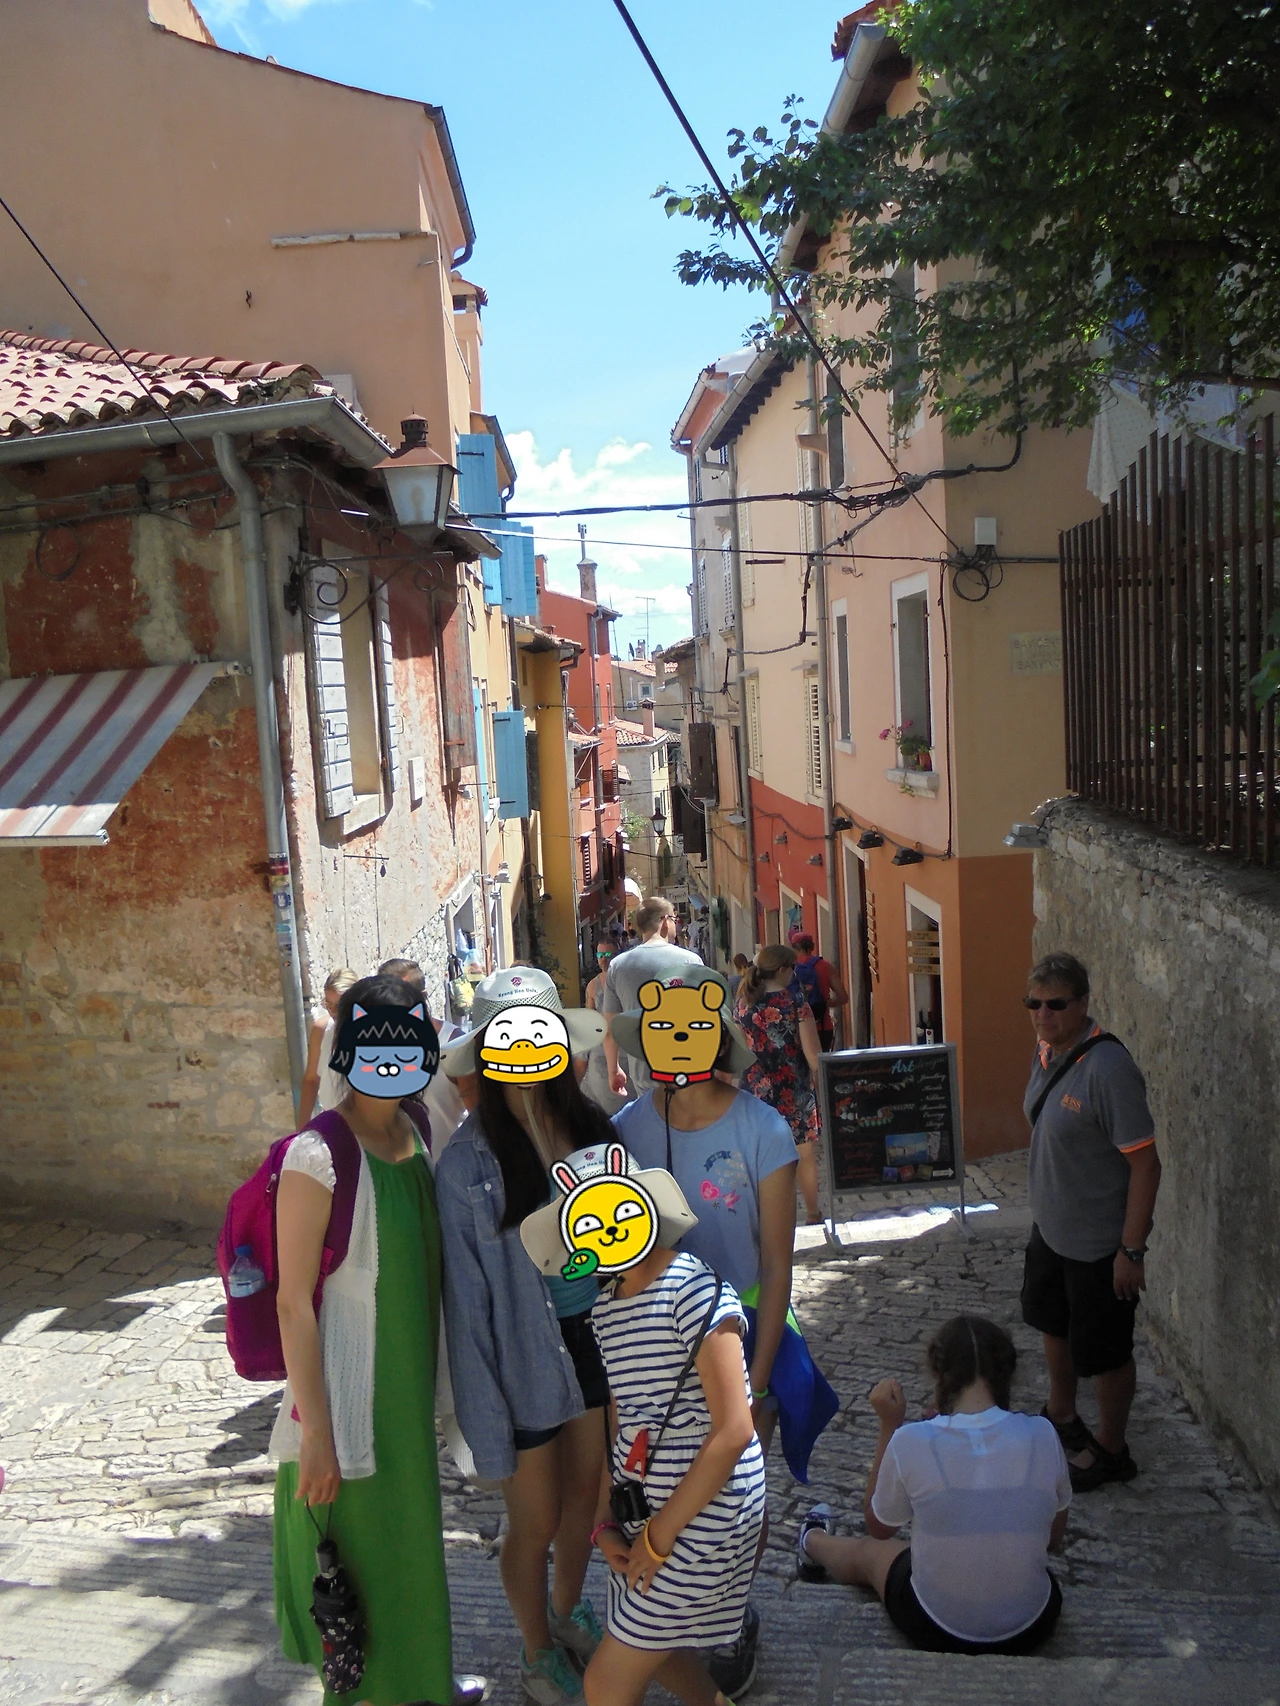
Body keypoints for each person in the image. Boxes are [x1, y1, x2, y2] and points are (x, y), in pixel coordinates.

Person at [610, 967, 834, 1700]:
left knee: (737, 1487)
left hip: (743, 1332)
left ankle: (730, 1620)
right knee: (663, 1483)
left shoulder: (763, 1129)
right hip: (655, 1344)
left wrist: (759, 1376)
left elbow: (776, 1262)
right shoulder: (627, 1131)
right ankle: (666, 1616)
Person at [271, 973, 485, 1706]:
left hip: (408, 1391)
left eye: (406, 1047)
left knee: (411, 1545)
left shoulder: (417, 1131)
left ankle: (423, 1685)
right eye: (376, 1047)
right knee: (361, 1567)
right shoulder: (317, 1155)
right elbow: (293, 1304)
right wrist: (317, 1434)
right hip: (348, 1399)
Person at [518, 1146, 764, 1706]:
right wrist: (606, 1519)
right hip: (647, 1511)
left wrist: (661, 1534)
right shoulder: (607, 1309)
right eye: (587, 1224)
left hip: (705, 1514)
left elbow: (734, 1429)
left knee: (606, 1680)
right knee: (657, 1646)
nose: (605, 1233)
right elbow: (627, 1420)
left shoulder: (693, 1290)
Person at [436, 968, 619, 1706]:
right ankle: (537, 1650)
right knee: (535, 1519)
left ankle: (567, 1612)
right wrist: (483, 1421)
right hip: (520, 1356)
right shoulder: (466, 1163)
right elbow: (466, 1305)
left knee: (588, 1499)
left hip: (594, 1338)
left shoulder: (592, 1127)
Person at [797, 1316, 1070, 1655]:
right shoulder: (1043, 1434)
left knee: (872, 1552)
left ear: (940, 1375)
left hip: (937, 1627)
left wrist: (890, 1426)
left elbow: (878, 1526)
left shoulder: (913, 1440)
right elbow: (1053, 1539)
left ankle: (811, 1540)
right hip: (1031, 1626)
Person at [1019, 952, 1161, 1491]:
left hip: (1100, 1244)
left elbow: (1146, 1164)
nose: (1043, 1014)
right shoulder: (1046, 1052)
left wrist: (1131, 1250)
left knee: (1104, 1351)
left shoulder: (1108, 1070)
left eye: (1056, 1004)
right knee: (1052, 1323)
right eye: (1034, 1003)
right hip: (1052, 1230)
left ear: (1082, 1004)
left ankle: (1112, 1449)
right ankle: (1062, 1415)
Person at [734, 946, 823, 1226]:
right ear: (783, 970)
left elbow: (739, 1049)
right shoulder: (795, 1002)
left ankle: (763, 1218)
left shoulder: (743, 1002)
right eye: (792, 968)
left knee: (759, 1156)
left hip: (754, 1088)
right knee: (804, 1155)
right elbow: (813, 1055)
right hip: (794, 1088)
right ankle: (813, 1214)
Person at [602, 897, 702, 1099]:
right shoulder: (691, 961)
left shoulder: (618, 966)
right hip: (687, 1070)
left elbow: (610, 1029)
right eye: (674, 919)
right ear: (665, 921)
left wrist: (613, 1069)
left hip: (643, 1073)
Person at [296, 967, 357, 1130]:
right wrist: (302, 1129)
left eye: (339, 1005)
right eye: (328, 1005)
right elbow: (311, 1080)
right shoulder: (322, 1029)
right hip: (332, 1123)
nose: (333, 1012)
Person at [582, 942, 627, 1115]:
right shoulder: (593, 985)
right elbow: (590, 1018)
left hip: (623, 1048)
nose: (603, 959)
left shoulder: (623, 982)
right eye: (600, 955)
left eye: (607, 955)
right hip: (602, 1051)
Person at [788, 933, 847, 1054]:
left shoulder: (788, 968)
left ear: (793, 948)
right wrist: (825, 1003)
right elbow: (843, 997)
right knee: (821, 1063)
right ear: (812, 946)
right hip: (823, 1026)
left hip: (797, 1028)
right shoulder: (825, 966)